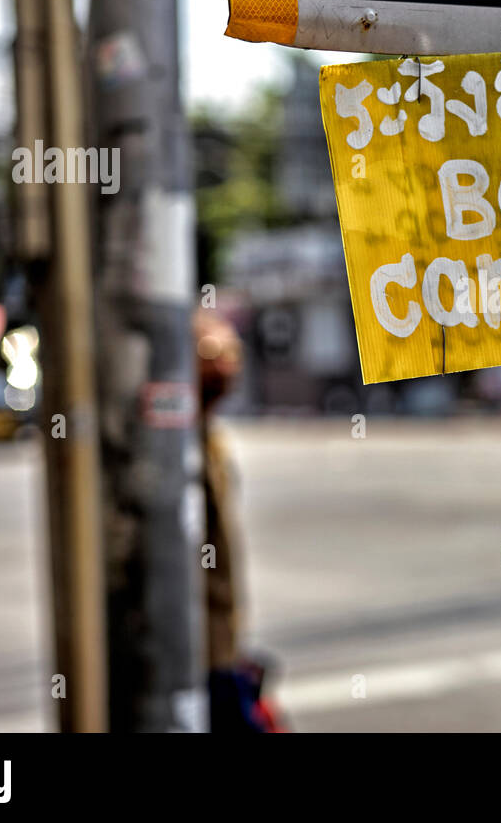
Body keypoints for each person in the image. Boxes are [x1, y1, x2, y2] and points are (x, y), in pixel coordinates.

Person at [194, 308, 284, 732]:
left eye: (234, 353)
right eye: (213, 352)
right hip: (194, 653)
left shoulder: (212, 437)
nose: (227, 365)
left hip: (221, 645)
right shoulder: (172, 442)